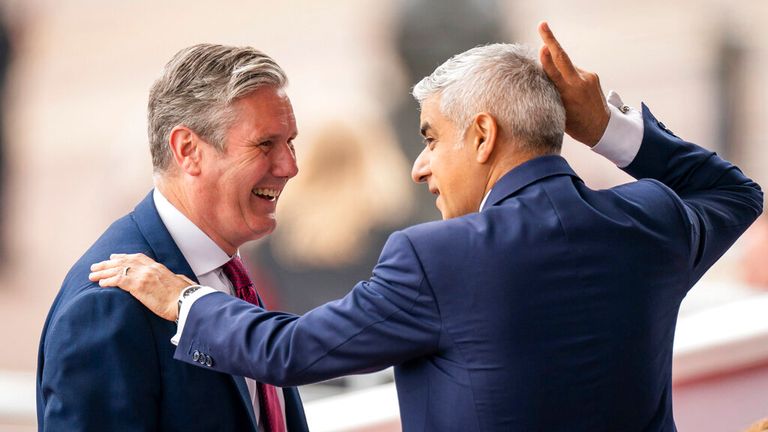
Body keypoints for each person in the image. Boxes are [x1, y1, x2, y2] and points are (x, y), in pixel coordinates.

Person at [91, 23, 763, 431]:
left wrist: (180, 299)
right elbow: (734, 192)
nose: (419, 167)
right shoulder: (648, 221)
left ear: (482, 135)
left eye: (430, 138)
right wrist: (606, 129)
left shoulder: (434, 257)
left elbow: (287, 354)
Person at [37, 44, 308, 432]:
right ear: (188, 150)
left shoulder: (227, 273)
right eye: (265, 144)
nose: (290, 166)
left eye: (290, 142)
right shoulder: (107, 306)